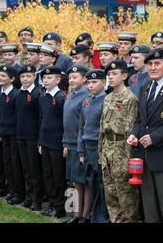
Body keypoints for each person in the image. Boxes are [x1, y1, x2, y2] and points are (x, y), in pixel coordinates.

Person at [128, 48, 163, 223]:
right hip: (144, 155)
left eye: (157, 63)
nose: (153, 67)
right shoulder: (146, 88)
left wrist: (155, 137)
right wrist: (133, 134)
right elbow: (140, 120)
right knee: (149, 205)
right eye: (150, 64)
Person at [99, 59, 139, 223]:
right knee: (111, 196)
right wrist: (101, 153)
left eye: (114, 74)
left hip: (122, 150)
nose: (111, 77)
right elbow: (102, 129)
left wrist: (129, 160)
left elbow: (131, 130)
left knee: (126, 196)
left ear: (124, 75)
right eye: (109, 74)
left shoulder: (130, 99)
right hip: (108, 149)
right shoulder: (107, 98)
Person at [78, 69, 110, 223]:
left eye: (94, 82)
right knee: (90, 183)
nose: (90, 85)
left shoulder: (107, 101)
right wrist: (81, 151)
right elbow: (81, 127)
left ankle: (102, 216)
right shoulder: (86, 101)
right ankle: (91, 215)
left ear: (104, 82)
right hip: (88, 148)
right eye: (89, 82)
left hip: (100, 148)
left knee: (102, 184)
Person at [38, 66, 67, 218]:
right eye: (44, 78)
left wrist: (64, 143)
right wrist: (40, 142)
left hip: (57, 144)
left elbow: (65, 123)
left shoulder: (62, 98)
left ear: (58, 80)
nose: (46, 80)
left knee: (58, 176)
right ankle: (51, 203)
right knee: (47, 174)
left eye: (50, 78)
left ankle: (60, 206)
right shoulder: (43, 97)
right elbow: (42, 120)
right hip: (46, 143)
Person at [15, 64, 44, 211]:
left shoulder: (37, 94)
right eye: (22, 76)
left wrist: (39, 140)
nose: (25, 79)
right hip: (21, 137)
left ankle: (36, 200)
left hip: (32, 137)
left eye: (28, 76)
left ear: (34, 77)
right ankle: (28, 196)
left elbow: (40, 118)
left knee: (34, 170)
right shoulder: (20, 93)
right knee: (26, 169)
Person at [62, 65, 89, 224]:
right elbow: (66, 122)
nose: (71, 80)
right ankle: (75, 214)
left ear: (84, 79)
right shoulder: (70, 95)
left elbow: (83, 125)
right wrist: (65, 142)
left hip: (81, 145)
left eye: (75, 77)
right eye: (70, 78)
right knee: (74, 180)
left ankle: (85, 215)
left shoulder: (86, 96)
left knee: (84, 181)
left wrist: (81, 149)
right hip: (70, 144)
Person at [0, 65, 25, 205]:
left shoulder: (15, 94)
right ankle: (11, 190)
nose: (0, 78)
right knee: (7, 162)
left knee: (15, 164)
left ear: (12, 78)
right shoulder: (1, 93)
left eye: (3, 76)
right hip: (4, 134)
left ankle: (19, 193)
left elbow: (17, 116)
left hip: (14, 134)